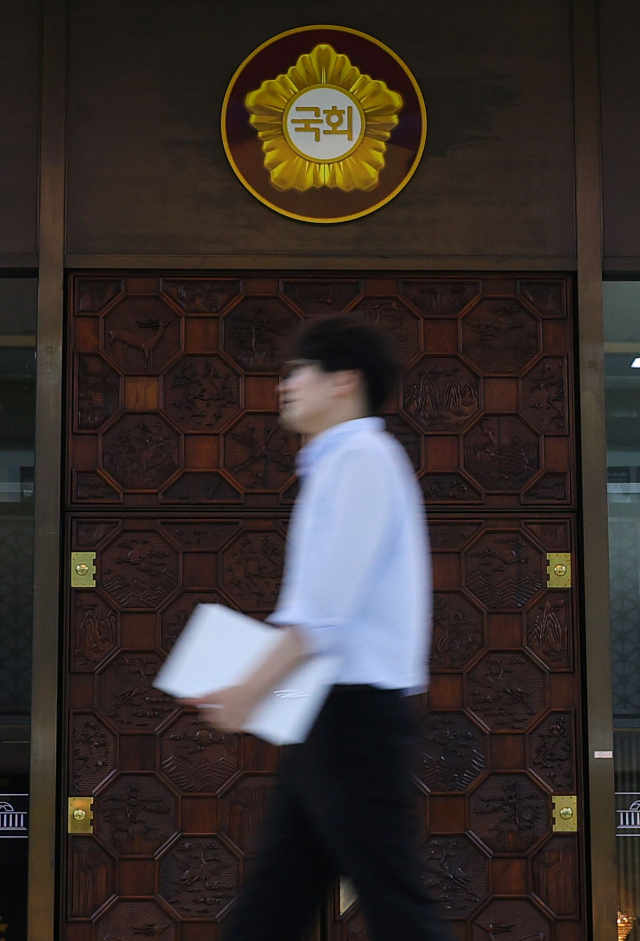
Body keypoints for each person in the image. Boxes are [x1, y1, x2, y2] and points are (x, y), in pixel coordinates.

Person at [184, 315, 453, 941]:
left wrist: (250, 689)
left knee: (393, 906)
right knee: (275, 901)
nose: (286, 385)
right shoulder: (339, 463)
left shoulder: (362, 460)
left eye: (300, 371)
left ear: (344, 382)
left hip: (355, 717)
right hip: (331, 714)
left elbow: (324, 611)